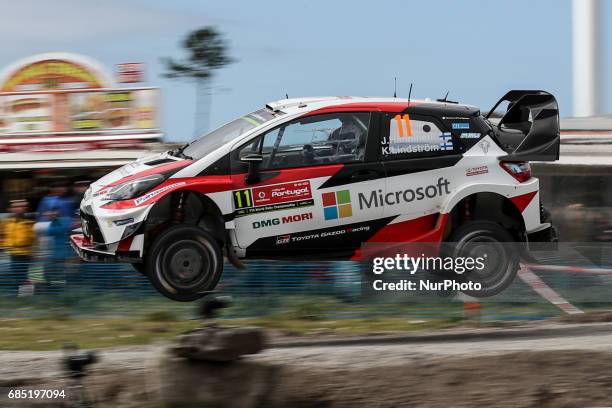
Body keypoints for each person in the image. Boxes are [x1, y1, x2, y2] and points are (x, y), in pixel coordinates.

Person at [1, 200, 35, 294]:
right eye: (15, 207)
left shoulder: (29, 223)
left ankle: (26, 296)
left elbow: (31, 239)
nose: (19, 209)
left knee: (25, 276)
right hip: (12, 253)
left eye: (21, 207)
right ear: (11, 209)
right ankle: (18, 295)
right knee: (16, 276)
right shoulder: (8, 223)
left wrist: (34, 252)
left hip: (25, 254)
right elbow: (4, 236)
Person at [43, 207, 73, 290]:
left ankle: (62, 290)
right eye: (51, 213)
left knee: (63, 274)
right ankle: (54, 289)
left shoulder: (66, 221)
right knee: (51, 272)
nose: (52, 214)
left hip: (64, 254)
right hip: (55, 254)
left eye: (54, 212)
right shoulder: (52, 223)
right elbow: (49, 232)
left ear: (58, 212)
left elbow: (65, 229)